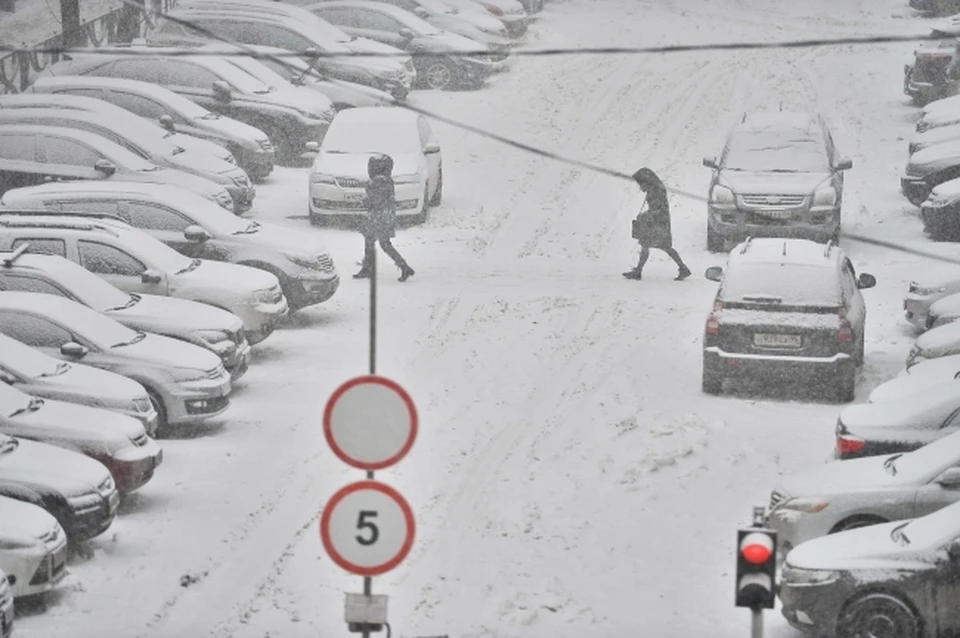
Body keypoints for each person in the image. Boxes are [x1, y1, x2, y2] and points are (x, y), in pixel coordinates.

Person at [353, 153, 415, 282]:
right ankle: (368, 267)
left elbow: (375, 200)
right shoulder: (386, 180)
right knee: (373, 241)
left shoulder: (378, 181)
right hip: (384, 215)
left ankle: (403, 267)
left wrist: (364, 201)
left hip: (379, 217)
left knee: (381, 243)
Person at [623, 167, 691, 281]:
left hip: (658, 223)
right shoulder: (654, 189)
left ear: (647, 181)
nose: (640, 187)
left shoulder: (657, 191)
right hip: (657, 222)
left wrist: (645, 215)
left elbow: (658, 209)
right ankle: (682, 268)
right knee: (653, 245)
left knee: (661, 246)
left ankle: (683, 268)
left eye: (641, 184)